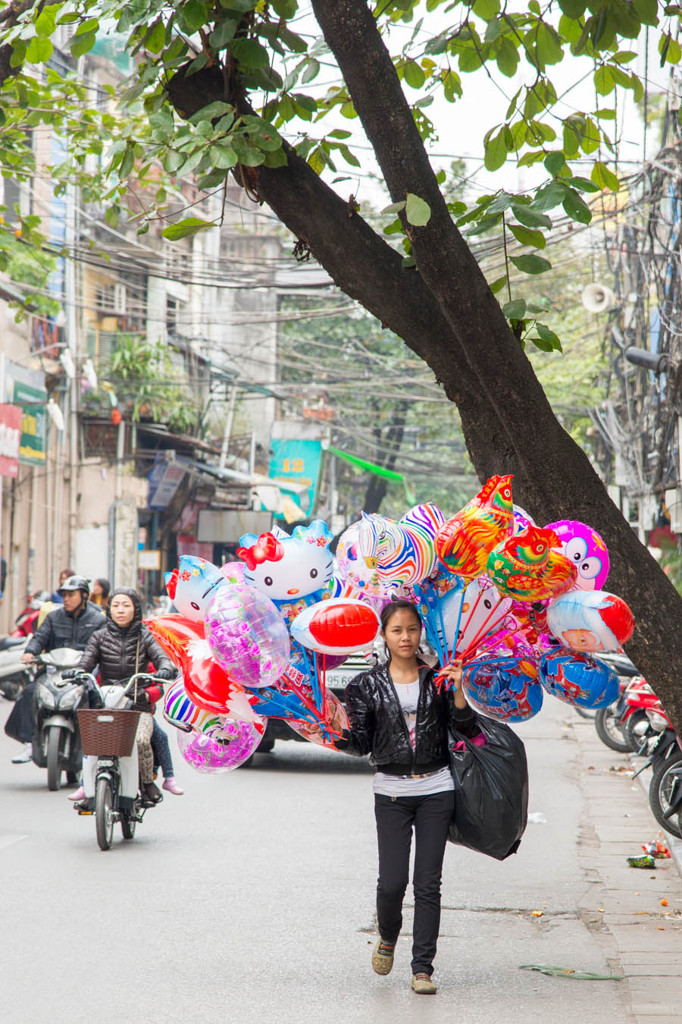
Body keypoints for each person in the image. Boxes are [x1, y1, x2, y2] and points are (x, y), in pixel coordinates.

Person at [336, 599, 480, 996]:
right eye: (397, 630)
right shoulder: (364, 686)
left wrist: (459, 691)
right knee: (392, 883)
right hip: (392, 793)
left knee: (428, 884)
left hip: (437, 788)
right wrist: (336, 731)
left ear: (421, 633)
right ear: (384, 635)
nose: (405, 637)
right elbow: (361, 744)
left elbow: (465, 729)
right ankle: (388, 934)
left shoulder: (438, 679)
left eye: (412, 629)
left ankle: (422, 968)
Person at [69, 587, 175, 805]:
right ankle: (86, 785)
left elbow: (163, 659)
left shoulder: (146, 638)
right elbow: (86, 663)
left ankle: (146, 783)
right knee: (92, 742)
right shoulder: (98, 637)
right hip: (107, 702)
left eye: (126, 605)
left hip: (137, 706)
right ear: (109, 609)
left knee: (140, 740)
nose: (120, 610)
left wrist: (166, 668)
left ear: (135, 609)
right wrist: (78, 672)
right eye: (116, 605)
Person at [6, 576, 105, 764]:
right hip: (54, 670)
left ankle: (97, 748)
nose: (66, 599)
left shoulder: (97, 619)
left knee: (96, 699)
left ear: (84, 596)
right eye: (64, 595)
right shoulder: (53, 617)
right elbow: (40, 637)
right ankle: (29, 742)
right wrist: (30, 652)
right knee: (29, 692)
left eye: (71, 595)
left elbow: (103, 645)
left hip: (83, 673)